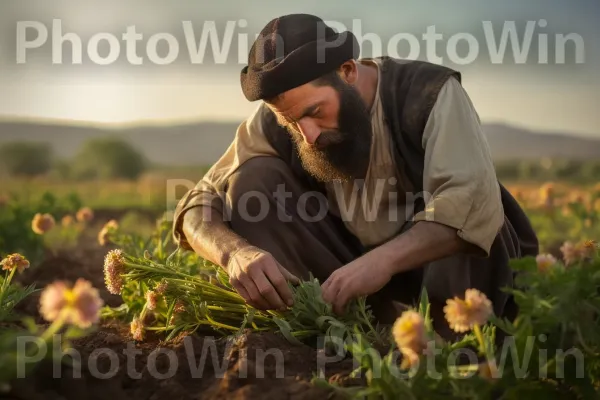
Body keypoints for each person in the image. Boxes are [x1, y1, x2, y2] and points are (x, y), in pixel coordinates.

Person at [172, 14, 539, 338]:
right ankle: (341, 332)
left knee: (470, 221)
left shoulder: (429, 94)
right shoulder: (283, 117)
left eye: (316, 111)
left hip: (448, 280)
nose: (308, 136)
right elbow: (197, 204)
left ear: (347, 71)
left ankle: (452, 354)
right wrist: (235, 253)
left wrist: (383, 261)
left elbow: (470, 200)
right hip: (350, 279)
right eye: (291, 121)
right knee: (252, 181)